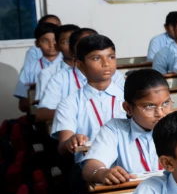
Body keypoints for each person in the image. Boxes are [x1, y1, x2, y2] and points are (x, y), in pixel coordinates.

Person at [52, 34, 124, 163]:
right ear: (80, 65)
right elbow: (62, 147)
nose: (106, 63)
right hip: (89, 166)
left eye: (111, 57)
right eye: (96, 58)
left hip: (128, 164)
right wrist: (71, 141)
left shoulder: (128, 97)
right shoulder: (69, 103)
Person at [14, 21, 59, 113]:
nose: (51, 45)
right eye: (45, 40)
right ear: (37, 43)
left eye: (55, 40)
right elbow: (22, 106)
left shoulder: (69, 65)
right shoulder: (29, 68)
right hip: (39, 119)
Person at [34, 23, 79, 109]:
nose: (71, 46)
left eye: (75, 41)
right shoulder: (47, 73)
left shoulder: (93, 71)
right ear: (57, 46)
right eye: (66, 42)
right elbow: (44, 110)